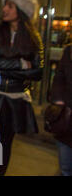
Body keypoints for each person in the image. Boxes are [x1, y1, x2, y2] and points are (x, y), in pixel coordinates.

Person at [0, 0, 44, 176]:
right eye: (5, 5)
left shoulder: (33, 37)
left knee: (6, 141)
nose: (4, 9)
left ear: (21, 10)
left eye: (10, 6)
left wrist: (3, 65)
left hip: (15, 99)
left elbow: (38, 72)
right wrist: (19, 63)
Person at [49, 44, 72, 176]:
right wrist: (58, 100)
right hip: (67, 120)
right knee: (66, 167)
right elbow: (59, 77)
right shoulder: (69, 51)